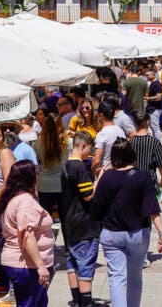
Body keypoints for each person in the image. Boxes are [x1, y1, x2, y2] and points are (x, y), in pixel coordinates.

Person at [91, 138, 162, 307]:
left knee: (116, 278)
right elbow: (152, 208)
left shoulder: (107, 178)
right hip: (137, 233)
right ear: (132, 154)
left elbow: (96, 208)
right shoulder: (143, 177)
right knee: (135, 276)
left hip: (111, 234)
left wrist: (101, 176)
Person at [0, 160, 55, 307]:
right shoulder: (25, 202)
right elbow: (27, 236)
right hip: (26, 266)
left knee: (38, 302)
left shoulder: (14, 198)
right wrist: (41, 266)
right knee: (28, 303)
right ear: (32, 178)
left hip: (24, 264)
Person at [60, 132, 100, 307]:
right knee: (85, 264)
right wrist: (99, 178)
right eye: (89, 149)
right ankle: (86, 302)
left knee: (72, 262)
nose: (90, 153)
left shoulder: (64, 166)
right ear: (83, 145)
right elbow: (88, 195)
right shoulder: (79, 168)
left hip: (68, 222)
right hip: (83, 223)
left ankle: (76, 300)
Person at [33, 113, 68, 217]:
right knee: (64, 217)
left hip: (44, 185)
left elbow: (37, 161)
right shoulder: (66, 142)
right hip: (62, 183)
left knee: (45, 217)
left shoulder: (38, 143)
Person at [129, 113, 162, 190]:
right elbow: (161, 165)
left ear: (134, 123)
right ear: (148, 122)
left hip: (132, 179)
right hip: (150, 180)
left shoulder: (130, 142)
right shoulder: (155, 142)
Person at [92, 101, 126, 174]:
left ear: (101, 115)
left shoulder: (102, 134)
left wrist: (92, 172)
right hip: (120, 172)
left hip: (105, 173)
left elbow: (97, 160)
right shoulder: (121, 131)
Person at [145, 69, 162, 140]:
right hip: (151, 108)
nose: (146, 76)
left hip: (155, 109)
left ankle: (158, 143)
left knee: (155, 127)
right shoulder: (152, 84)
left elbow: (158, 97)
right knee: (153, 127)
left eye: (148, 75)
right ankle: (155, 142)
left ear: (153, 75)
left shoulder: (157, 84)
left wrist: (147, 98)